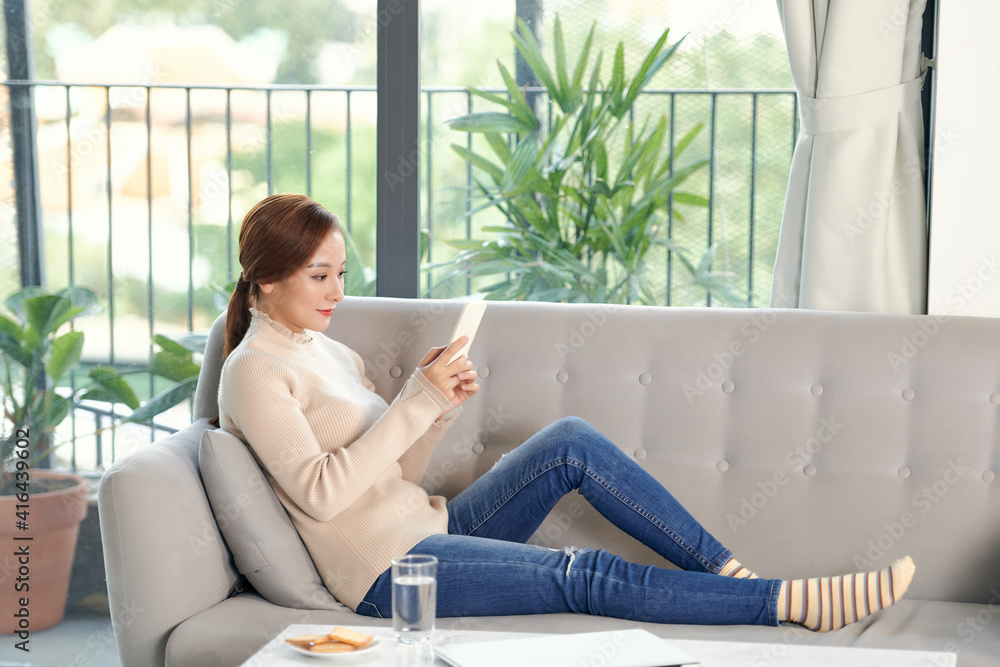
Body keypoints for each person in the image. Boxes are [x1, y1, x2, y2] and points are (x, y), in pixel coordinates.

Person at [217, 193, 915, 632]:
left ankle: (730, 572)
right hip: (385, 572)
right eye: (320, 275)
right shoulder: (253, 371)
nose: (338, 290)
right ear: (268, 278)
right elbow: (319, 492)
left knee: (569, 442)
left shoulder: (326, 351)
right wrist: (414, 399)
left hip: (430, 527)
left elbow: (397, 473)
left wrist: (436, 414)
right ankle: (784, 601)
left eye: (341, 272)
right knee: (582, 573)